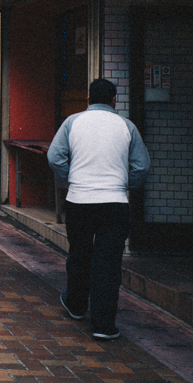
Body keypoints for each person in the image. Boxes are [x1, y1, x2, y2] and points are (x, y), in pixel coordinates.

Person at [48, 78, 150, 341]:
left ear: (88, 99)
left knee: (80, 254)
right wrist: (124, 185)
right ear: (114, 100)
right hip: (115, 203)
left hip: (79, 201)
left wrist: (71, 177)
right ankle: (103, 325)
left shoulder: (72, 122)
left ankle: (76, 305)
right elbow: (141, 166)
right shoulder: (127, 126)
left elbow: (54, 156)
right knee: (107, 262)